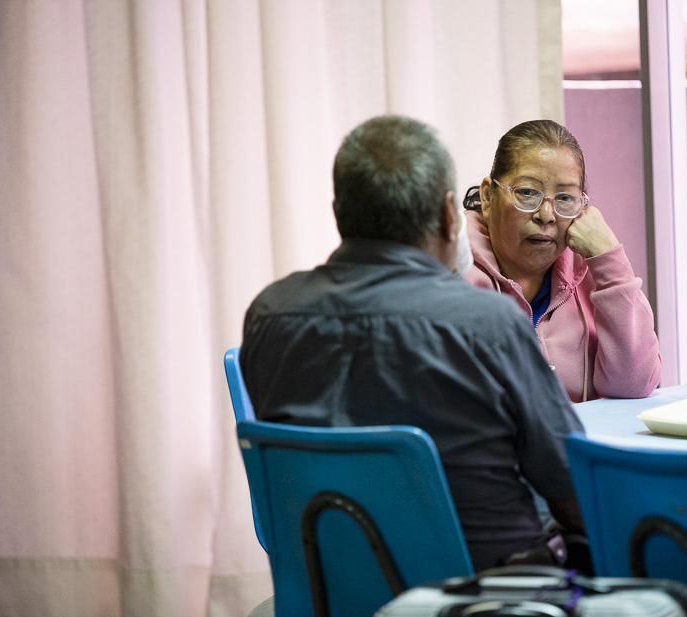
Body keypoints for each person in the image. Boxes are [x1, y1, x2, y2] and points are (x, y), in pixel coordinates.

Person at [240, 115, 590, 572]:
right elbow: (574, 490)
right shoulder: (488, 325)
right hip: (489, 590)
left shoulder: (269, 316)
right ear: (449, 215)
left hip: (332, 585)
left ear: (339, 212)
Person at [463, 119, 661, 403]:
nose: (546, 215)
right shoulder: (450, 273)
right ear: (487, 196)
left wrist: (610, 260)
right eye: (527, 193)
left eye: (565, 198)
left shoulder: (594, 275)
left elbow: (633, 385)